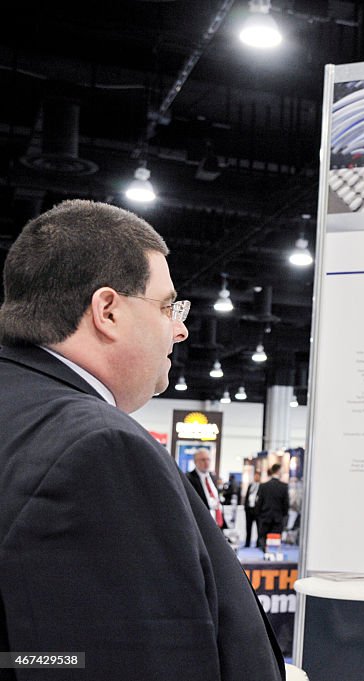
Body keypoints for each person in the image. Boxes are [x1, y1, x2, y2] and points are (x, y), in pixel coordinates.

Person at [0, 200, 284, 681]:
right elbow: (135, 658)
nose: (180, 327)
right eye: (167, 305)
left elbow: (43, 653)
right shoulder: (98, 450)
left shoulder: (19, 408)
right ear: (107, 310)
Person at [187, 446, 225, 528]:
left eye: (208, 459)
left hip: (216, 520)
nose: (206, 462)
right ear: (195, 461)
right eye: (203, 460)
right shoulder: (189, 478)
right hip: (200, 522)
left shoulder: (213, 477)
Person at [257, 463, 290, 550]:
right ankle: (272, 554)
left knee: (263, 538)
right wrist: (284, 515)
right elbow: (285, 504)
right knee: (275, 540)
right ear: (278, 471)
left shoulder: (263, 486)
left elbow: (259, 503)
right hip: (277, 518)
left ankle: (265, 552)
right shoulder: (283, 487)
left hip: (265, 516)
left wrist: (259, 515)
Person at [243, 470, 263, 548]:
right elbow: (247, 496)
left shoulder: (262, 486)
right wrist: (246, 507)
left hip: (258, 510)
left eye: (258, 476)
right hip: (249, 509)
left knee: (259, 528)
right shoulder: (250, 485)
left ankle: (258, 543)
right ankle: (247, 543)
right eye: (255, 476)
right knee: (248, 527)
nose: (256, 477)